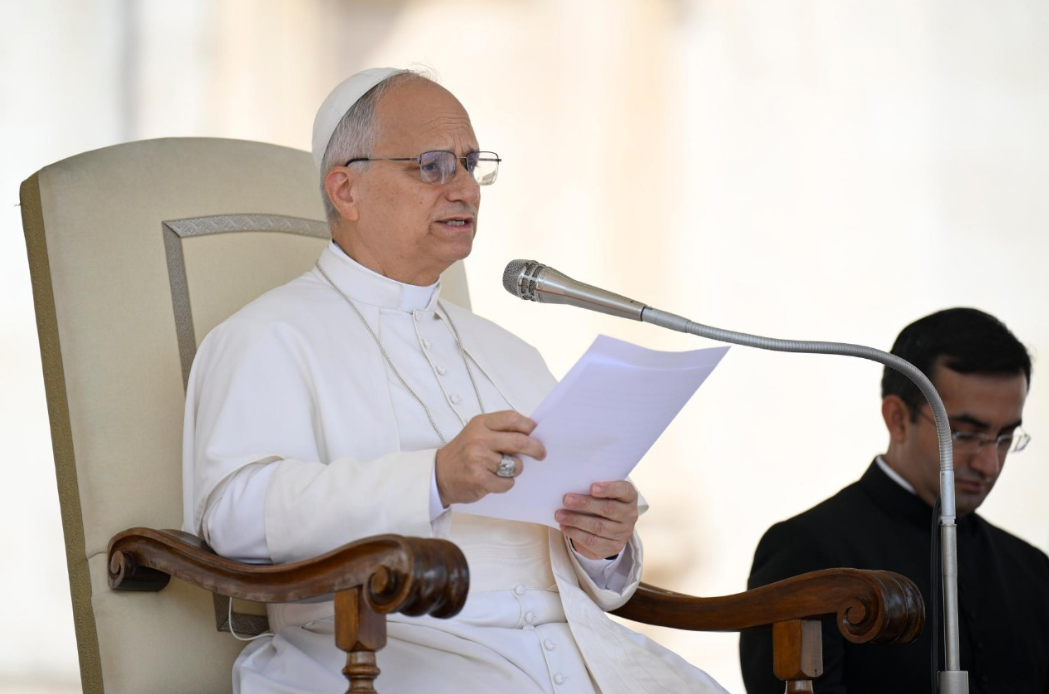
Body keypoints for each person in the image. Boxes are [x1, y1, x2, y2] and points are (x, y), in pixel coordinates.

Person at [182, 67, 727, 694]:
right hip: (393, 653)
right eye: (433, 166)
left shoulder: (508, 351)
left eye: (470, 164)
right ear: (346, 190)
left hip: (579, 650)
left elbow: (586, 561)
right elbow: (233, 516)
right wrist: (433, 477)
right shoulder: (265, 336)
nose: (465, 188)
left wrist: (602, 545)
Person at [739, 308, 1049, 693]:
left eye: (1005, 438)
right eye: (966, 434)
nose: (990, 464)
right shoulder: (806, 553)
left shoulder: (1033, 571)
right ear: (898, 419)